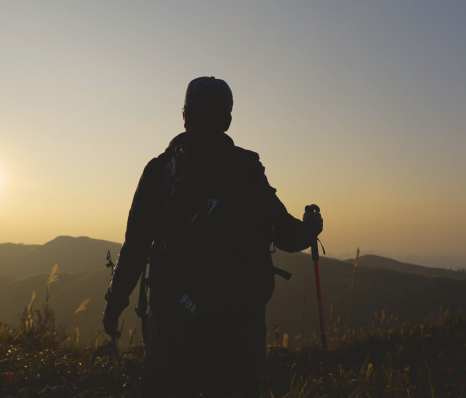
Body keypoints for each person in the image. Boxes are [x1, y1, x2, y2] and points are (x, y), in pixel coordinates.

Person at [103, 77, 323, 397]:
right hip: (238, 318)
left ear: (185, 115)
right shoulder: (247, 170)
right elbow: (288, 237)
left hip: (173, 319)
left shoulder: (161, 169)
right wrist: (311, 227)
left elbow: (136, 245)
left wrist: (114, 304)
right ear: (228, 120)